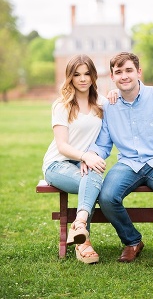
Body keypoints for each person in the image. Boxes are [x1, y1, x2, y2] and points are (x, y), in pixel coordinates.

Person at [82, 52, 153, 271]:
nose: (124, 76)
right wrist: (90, 155)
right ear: (112, 77)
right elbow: (103, 143)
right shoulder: (110, 106)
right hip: (128, 163)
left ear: (139, 72)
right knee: (106, 196)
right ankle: (132, 241)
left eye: (129, 70)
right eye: (118, 72)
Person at [42, 54, 113, 264]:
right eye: (76, 74)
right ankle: (83, 243)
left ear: (93, 76)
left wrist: (116, 93)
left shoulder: (101, 103)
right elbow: (62, 146)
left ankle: (79, 228)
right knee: (92, 180)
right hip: (57, 164)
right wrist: (85, 156)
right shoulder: (62, 105)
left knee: (92, 176)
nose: (82, 79)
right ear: (70, 77)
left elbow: (126, 98)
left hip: (82, 162)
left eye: (87, 74)